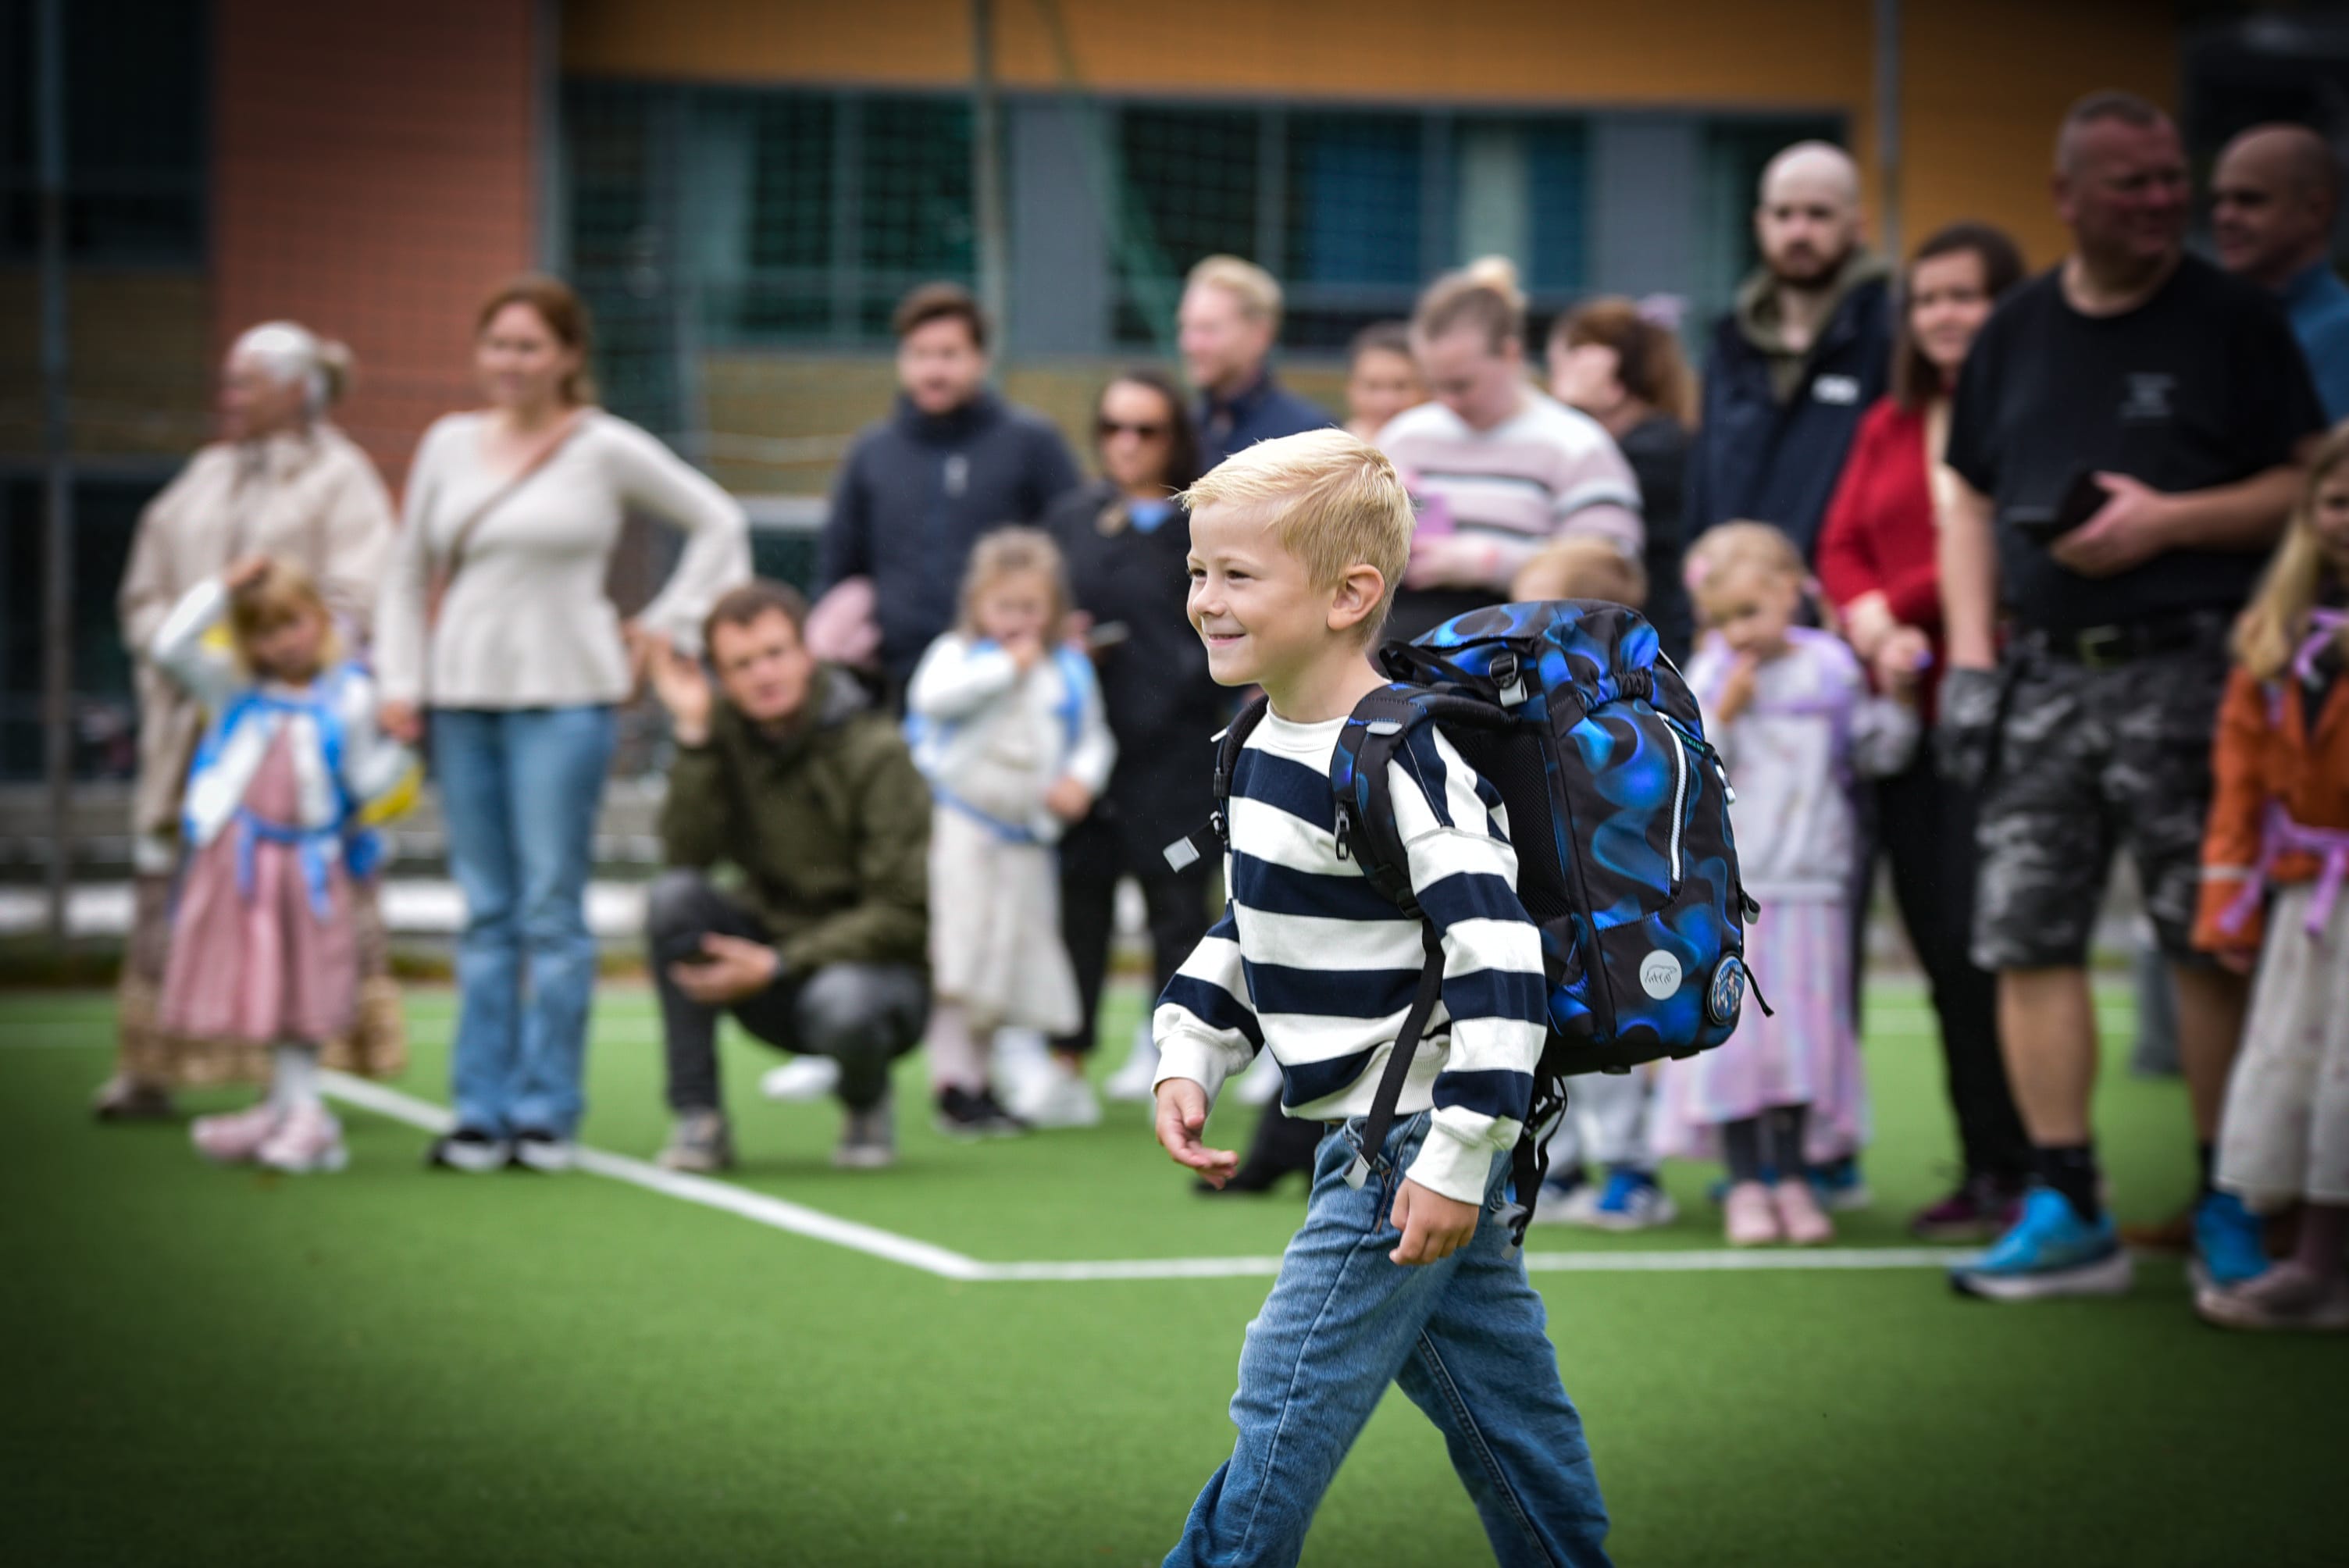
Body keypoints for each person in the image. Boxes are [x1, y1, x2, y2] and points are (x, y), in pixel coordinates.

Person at [1152, 429, 1611, 1566]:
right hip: (1379, 1139)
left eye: (1237, 574)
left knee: (1285, 1397)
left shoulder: (1404, 759)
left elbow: (1499, 958)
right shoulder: (1257, 736)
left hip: (1404, 1142)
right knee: (1507, 1417)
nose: (1205, 599)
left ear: (1350, 594)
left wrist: (1455, 1156)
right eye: (1199, 569)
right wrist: (1189, 1049)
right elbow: (1254, 921)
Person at [1937, 93, 2327, 1300]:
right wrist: (1971, 656)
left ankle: (2229, 1199)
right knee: (2025, 937)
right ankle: (2068, 1205)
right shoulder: (2014, 328)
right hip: (2043, 677)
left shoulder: (2234, 318)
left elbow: (2311, 485)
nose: (2165, 201)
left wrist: (2170, 521)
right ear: (2068, 196)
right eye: (2133, 183)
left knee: (2206, 941)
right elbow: (1968, 497)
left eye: (2171, 179)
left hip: (2192, 670)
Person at [376, 273, 750, 1174]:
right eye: (497, 343)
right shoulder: (447, 444)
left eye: (529, 345)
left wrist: (665, 621)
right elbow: (404, 571)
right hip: (461, 699)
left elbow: (717, 520)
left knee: (550, 908)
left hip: (568, 701)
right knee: (486, 910)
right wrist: (400, 679)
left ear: (568, 354)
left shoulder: (603, 447)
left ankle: (545, 1113)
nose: (510, 361)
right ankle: (478, 1111)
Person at [102, 321, 397, 1120]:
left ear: (298, 390)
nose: (228, 396)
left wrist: (297, 672)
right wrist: (189, 658)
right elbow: (146, 597)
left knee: (297, 896)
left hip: (296, 736)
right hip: (191, 724)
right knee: (169, 883)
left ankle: (293, 1069)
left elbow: (358, 595)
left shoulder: (341, 479)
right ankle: (152, 1062)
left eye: (246, 383)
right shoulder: (203, 475)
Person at [1815, 221, 2036, 1241]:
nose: (1946, 315)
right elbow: (1839, 542)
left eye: (1967, 295)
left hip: (2004, 719)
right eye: (1930, 298)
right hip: (1904, 722)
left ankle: (2041, 1166)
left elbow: (1992, 546)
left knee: (2000, 946)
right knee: (1942, 946)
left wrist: (1894, 612)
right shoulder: (1891, 420)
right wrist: (1871, 626)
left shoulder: (2030, 408)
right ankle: (1989, 1165)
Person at [1661, 522, 1919, 1245]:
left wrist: (1900, 699)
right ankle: (1746, 1181)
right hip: (1735, 891)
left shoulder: (1830, 668)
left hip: (1813, 887)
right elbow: (1689, 769)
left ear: (1790, 593)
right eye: (1724, 619)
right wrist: (1726, 711)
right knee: (1739, 1038)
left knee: (1801, 1039)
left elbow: (1875, 751)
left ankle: (1797, 1177)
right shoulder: (1711, 672)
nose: (1739, 632)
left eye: (1751, 612)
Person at [643, 583, 932, 1173]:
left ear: (807, 654)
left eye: (775, 654)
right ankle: (699, 1117)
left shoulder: (875, 749)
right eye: (741, 665)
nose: (763, 675)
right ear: (721, 677)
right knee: (673, 901)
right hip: (765, 965)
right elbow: (685, 857)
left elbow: (904, 913)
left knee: (844, 1003)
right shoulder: (721, 734)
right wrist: (694, 736)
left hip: (872, 980)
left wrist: (777, 963)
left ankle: (865, 1100)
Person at [155, 557, 415, 1174]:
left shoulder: (352, 696)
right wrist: (222, 589)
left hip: (311, 869)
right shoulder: (233, 689)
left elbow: (367, 782)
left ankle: (306, 1115)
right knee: (263, 983)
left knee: (304, 984)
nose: (281, 642)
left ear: (319, 619)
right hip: (240, 867)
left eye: (292, 623)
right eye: (263, 631)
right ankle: (282, 1108)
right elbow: (171, 647)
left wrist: (402, 744)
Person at [2190, 428, 2349, 1330]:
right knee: (2309, 1070)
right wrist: (2227, 902)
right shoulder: (2275, 635)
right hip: (2305, 893)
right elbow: (2239, 780)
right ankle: (2314, 1261)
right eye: (2335, 501)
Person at [1039, 370, 1219, 1119]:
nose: (1127, 444)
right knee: (1078, 904)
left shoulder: (1206, 520)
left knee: (1175, 902)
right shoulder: (1072, 519)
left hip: (1176, 758)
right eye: (1113, 427)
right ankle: (1065, 1057)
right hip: (1086, 757)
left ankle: (1170, 1054)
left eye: (1146, 430)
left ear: (1175, 437)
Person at [906, 529, 1114, 1137]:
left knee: (1006, 958)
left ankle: (984, 1081)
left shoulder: (1067, 669)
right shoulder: (957, 655)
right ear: (977, 605)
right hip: (963, 825)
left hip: (1028, 836)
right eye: (1004, 607)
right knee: (961, 953)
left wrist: (1080, 780)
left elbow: (1094, 738)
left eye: (1031, 607)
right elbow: (931, 702)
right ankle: (954, 1083)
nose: (1018, 621)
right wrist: (1002, 668)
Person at [1510, 540, 1674, 1232]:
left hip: (1617, 906)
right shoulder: (1527, 692)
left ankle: (1632, 1172)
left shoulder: (1631, 699)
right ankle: (1564, 1165)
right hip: (1551, 903)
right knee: (1554, 1033)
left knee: (1615, 1036)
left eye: (1533, 614)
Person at [817, 283, 1082, 697]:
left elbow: (1074, 550)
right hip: (892, 683)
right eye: (919, 354)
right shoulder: (871, 453)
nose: (933, 370)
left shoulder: (1033, 444)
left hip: (1010, 680)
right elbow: (838, 567)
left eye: (949, 354)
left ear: (981, 359)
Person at [1378, 257, 1642, 642]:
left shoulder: (1576, 445)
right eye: (1435, 385)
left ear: (1511, 354)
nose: (1447, 401)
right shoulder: (1405, 437)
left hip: (1527, 647)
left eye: (1462, 385)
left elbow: (1612, 570)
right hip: (1407, 643)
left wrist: (1492, 564)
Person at [1685, 142, 1894, 559]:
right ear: (1760, 223)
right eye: (1783, 214)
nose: (1799, 232)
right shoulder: (1730, 341)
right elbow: (1704, 486)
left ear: (1859, 225)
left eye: (1819, 214)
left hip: (1847, 592)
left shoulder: (1892, 333)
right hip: (1737, 590)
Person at [1549, 296, 1698, 662]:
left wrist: (1566, 406)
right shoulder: (1655, 438)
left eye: (1567, 364)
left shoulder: (1651, 450)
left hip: (1649, 642)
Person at [2212, 123, 2349, 422]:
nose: (2224, 217)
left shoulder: (2340, 334)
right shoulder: (2210, 319)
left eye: (2250, 199)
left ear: (2316, 210)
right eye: (2219, 200)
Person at [1178, 255, 1335, 469]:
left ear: (1259, 335)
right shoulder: (1179, 430)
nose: (1190, 344)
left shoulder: (1308, 437)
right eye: (1186, 327)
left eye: (1208, 329)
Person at [1342, 319, 1425, 443]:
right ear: (1351, 390)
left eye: (1401, 386)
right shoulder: (1326, 448)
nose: (1386, 402)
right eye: (1373, 386)